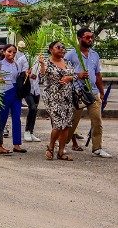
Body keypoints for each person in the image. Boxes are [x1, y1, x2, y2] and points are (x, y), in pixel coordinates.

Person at [65, 28, 111, 158]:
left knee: (97, 120)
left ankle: (97, 148)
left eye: (92, 37)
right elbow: (63, 72)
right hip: (77, 92)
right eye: (87, 37)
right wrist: (77, 75)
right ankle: (63, 144)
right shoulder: (70, 55)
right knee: (72, 121)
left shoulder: (95, 55)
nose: (90, 39)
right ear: (79, 38)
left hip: (93, 92)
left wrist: (102, 92)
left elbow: (97, 75)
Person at [39, 41, 76, 161]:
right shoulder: (46, 63)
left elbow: (74, 76)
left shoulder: (67, 62)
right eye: (58, 47)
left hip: (67, 97)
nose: (62, 49)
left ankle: (61, 152)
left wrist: (70, 78)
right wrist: (42, 66)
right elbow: (42, 76)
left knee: (66, 125)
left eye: (63, 47)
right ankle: (50, 147)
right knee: (58, 124)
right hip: (53, 98)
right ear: (51, 49)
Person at [0, 44, 27, 153]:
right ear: (4, 52)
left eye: (14, 52)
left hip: (15, 92)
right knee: (2, 118)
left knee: (16, 118)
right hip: (4, 91)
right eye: (9, 51)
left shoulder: (16, 65)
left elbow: (19, 78)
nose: (12, 54)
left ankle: (17, 144)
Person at [23, 55, 42, 143]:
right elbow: (18, 73)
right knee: (32, 107)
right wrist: (27, 74)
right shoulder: (23, 59)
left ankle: (31, 132)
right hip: (27, 89)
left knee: (34, 111)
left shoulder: (39, 59)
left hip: (36, 89)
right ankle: (26, 131)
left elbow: (42, 74)